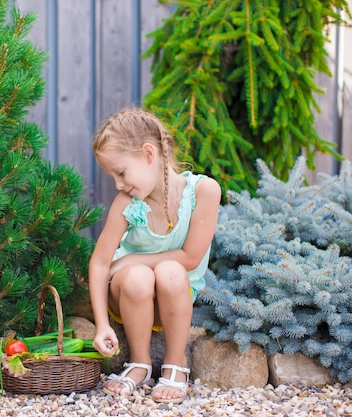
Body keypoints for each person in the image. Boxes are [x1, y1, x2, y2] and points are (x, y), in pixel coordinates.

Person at [89, 106, 221, 404]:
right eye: (113, 176)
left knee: (171, 270)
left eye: (120, 172)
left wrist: (129, 259)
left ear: (149, 154)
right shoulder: (127, 204)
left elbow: (190, 258)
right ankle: (140, 363)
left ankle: (176, 363)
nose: (118, 185)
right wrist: (101, 324)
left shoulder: (204, 191)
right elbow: (99, 263)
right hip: (129, 295)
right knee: (138, 277)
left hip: (174, 294)